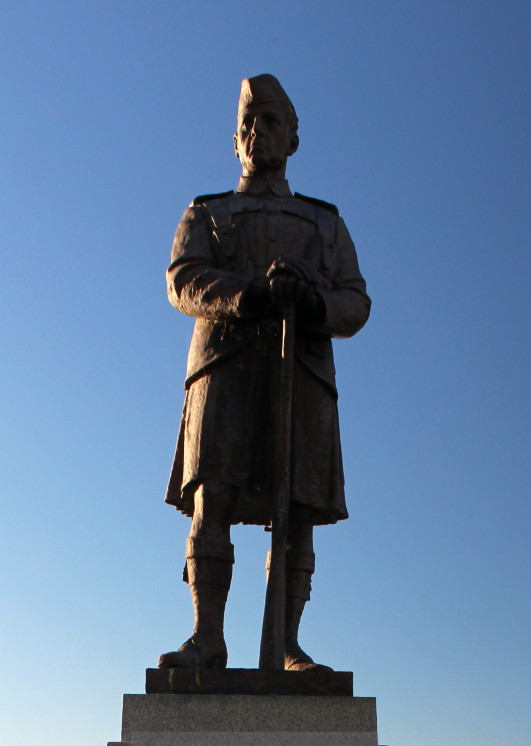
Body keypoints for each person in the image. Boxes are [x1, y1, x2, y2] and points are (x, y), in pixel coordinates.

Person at [159, 74, 371, 672]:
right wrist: (249, 294)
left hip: (298, 373)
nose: (259, 132)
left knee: (297, 510)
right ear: (235, 141)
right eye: (248, 124)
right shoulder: (207, 212)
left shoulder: (325, 223)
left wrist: (310, 302)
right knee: (214, 498)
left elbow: (355, 301)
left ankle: (284, 643)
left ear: (293, 138)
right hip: (224, 368)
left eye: (271, 121)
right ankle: (208, 638)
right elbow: (183, 279)